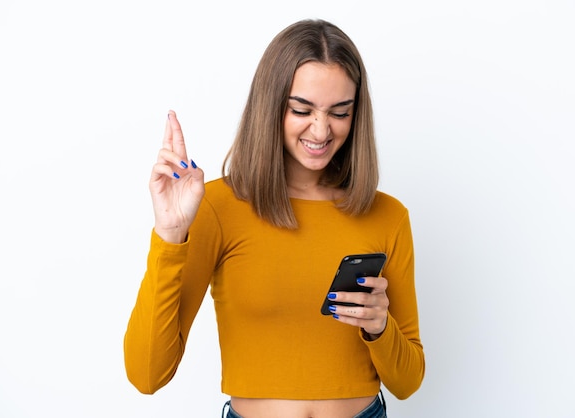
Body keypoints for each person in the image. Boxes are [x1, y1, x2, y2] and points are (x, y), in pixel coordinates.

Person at [124, 18, 425, 418]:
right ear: (271, 104)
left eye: (340, 112)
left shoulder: (387, 216)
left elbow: (408, 382)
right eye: (302, 109)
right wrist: (170, 235)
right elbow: (148, 375)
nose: (321, 130)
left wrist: (379, 327)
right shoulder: (216, 206)